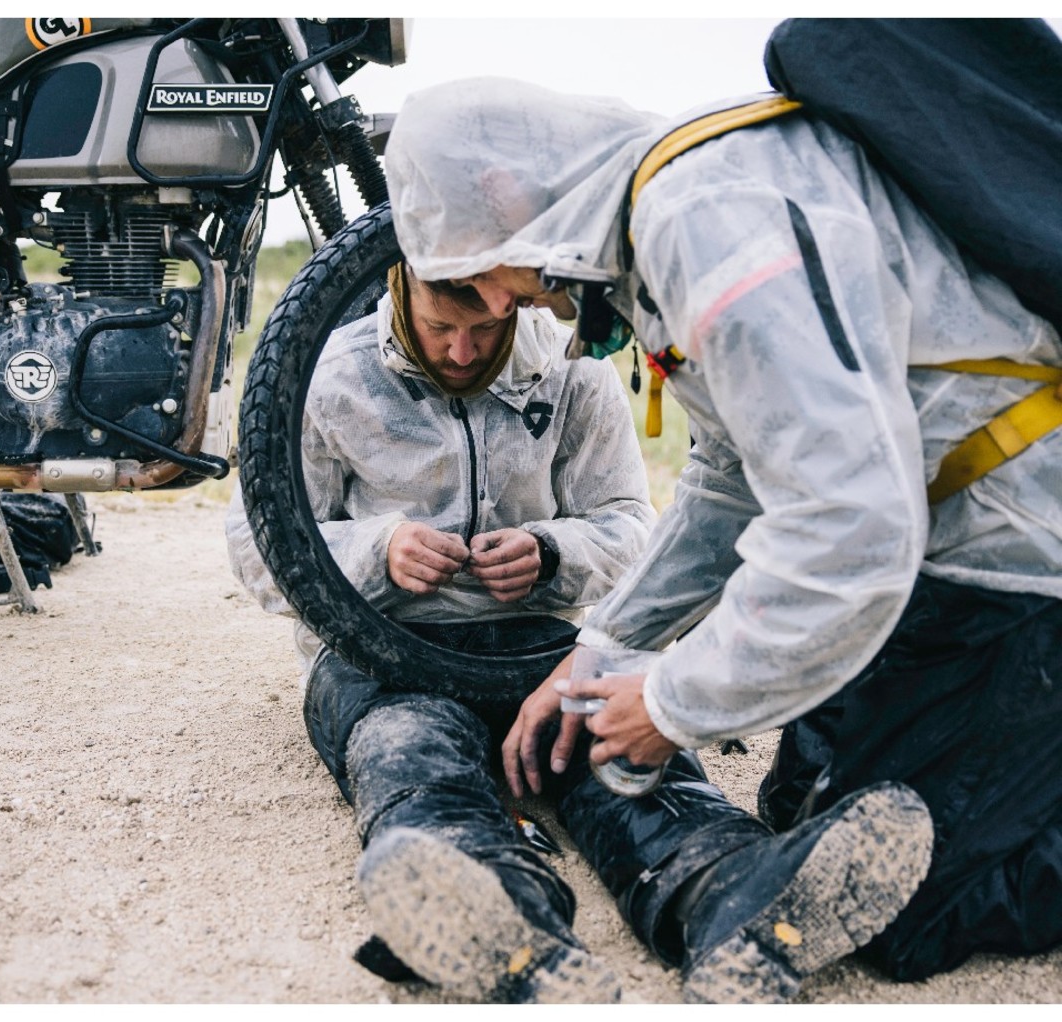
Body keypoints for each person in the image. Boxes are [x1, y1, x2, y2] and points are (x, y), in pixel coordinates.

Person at [381, 59, 1062, 1003]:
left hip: (1023, 553)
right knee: (800, 813)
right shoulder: (662, 211)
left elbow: (851, 526)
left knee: (922, 903)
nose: (498, 307)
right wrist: (602, 650)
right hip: (949, 545)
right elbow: (729, 479)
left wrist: (670, 703)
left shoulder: (702, 220)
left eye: (475, 268)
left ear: (501, 189)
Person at [225, 261, 656, 1002]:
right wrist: (377, 552)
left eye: (486, 328)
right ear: (397, 289)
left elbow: (630, 526)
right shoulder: (327, 377)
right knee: (409, 757)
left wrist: (552, 552)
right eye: (439, 329)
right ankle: (499, 917)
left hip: (535, 645)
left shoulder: (573, 365)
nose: (463, 353)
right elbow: (258, 547)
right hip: (378, 654)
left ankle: (717, 880)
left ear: (514, 302)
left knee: (625, 754)